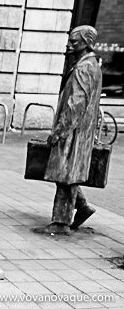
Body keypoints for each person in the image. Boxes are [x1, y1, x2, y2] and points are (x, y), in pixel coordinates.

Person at [34, 26, 102, 235]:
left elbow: (76, 105)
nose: (69, 44)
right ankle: (82, 207)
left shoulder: (84, 68)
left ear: (86, 43)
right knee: (65, 174)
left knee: (65, 174)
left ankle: (60, 223)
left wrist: (58, 132)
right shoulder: (89, 65)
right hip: (79, 131)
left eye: (74, 41)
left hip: (73, 132)